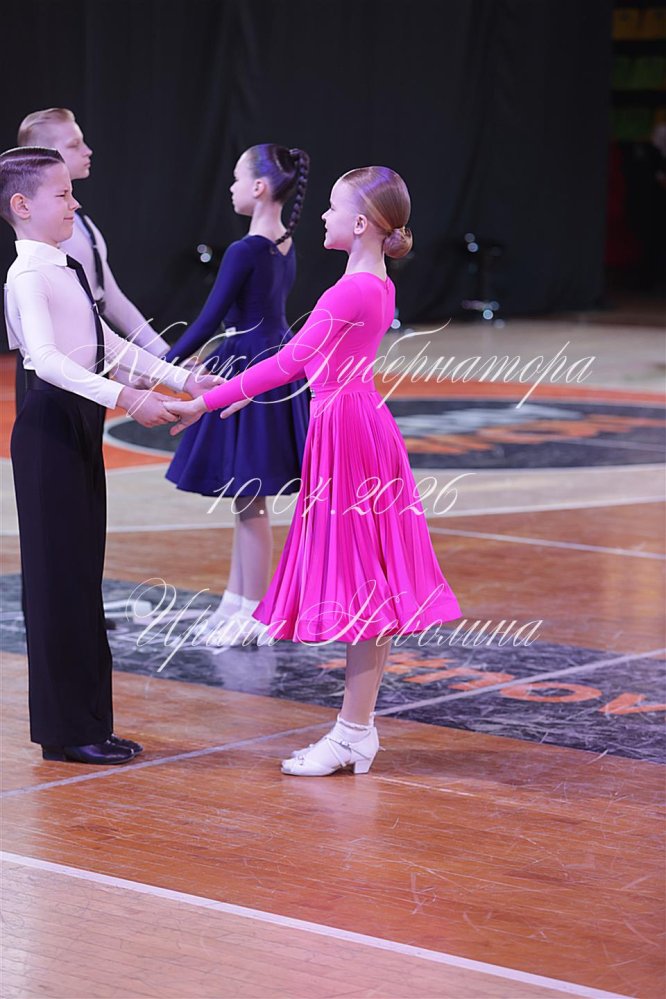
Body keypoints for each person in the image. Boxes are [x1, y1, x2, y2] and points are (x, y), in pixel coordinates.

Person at [166, 166, 462, 776]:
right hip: (354, 427)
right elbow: (305, 365)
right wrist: (239, 396)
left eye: (332, 207)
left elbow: (291, 361)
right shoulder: (373, 284)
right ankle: (356, 730)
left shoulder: (349, 292)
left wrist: (206, 401)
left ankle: (353, 731)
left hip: (349, 437)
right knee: (368, 579)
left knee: (363, 582)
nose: (322, 216)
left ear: (362, 224)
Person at [0, 146, 219, 765]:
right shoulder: (27, 274)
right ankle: (66, 731)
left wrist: (181, 380)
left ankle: (90, 721)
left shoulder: (64, 265)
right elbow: (46, 360)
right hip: (49, 430)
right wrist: (129, 397)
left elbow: (106, 344)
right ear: (22, 206)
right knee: (58, 584)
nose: (75, 203)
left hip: (76, 423)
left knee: (80, 579)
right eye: (62, 194)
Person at [164, 144, 310, 647]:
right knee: (245, 497)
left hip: (250, 369)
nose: (230, 188)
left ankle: (254, 613)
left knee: (250, 498)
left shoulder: (245, 249)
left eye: (236, 178)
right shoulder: (284, 244)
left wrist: (160, 367)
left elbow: (208, 319)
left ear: (259, 187)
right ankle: (234, 601)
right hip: (270, 360)